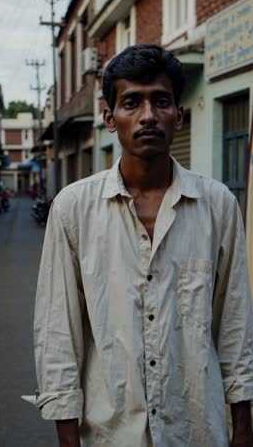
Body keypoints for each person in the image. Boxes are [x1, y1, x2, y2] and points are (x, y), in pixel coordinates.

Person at [33, 44, 253, 446]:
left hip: (197, 429)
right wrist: (67, 437)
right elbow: (57, 334)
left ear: (179, 116)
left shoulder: (218, 205)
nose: (148, 116)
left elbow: (235, 324)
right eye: (132, 102)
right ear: (109, 118)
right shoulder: (73, 209)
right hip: (108, 432)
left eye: (161, 101)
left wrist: (243, 425)